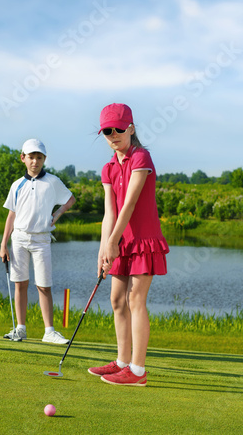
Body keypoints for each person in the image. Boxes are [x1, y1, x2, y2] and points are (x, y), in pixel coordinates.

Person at [88, 103, 169, 386]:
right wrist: (103, 249)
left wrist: (112, 243)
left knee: (135, 300)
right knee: (116, 300)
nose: (112, 135)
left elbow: (130, 204)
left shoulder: (140, 157)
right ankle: (122, 361)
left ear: (131, 128)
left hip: (143, 240)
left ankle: (137, 371)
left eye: (118, 129)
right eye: (107, 131)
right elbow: (109, 213)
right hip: (119, 241)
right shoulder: (108, 168)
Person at [0, 138, 75, 344]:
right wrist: (3, 243)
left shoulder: (52, 181)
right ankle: (21, 329)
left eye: (39, 157)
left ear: (44, 159)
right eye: (31, 157)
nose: (35, 161)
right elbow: (11, 216)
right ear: (23, 158)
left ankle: (49, 332)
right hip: (19, 239)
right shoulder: (17, 185)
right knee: (20, 284)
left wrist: (57, 213)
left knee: (44, 285)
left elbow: (70, 199)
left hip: (42, 240)